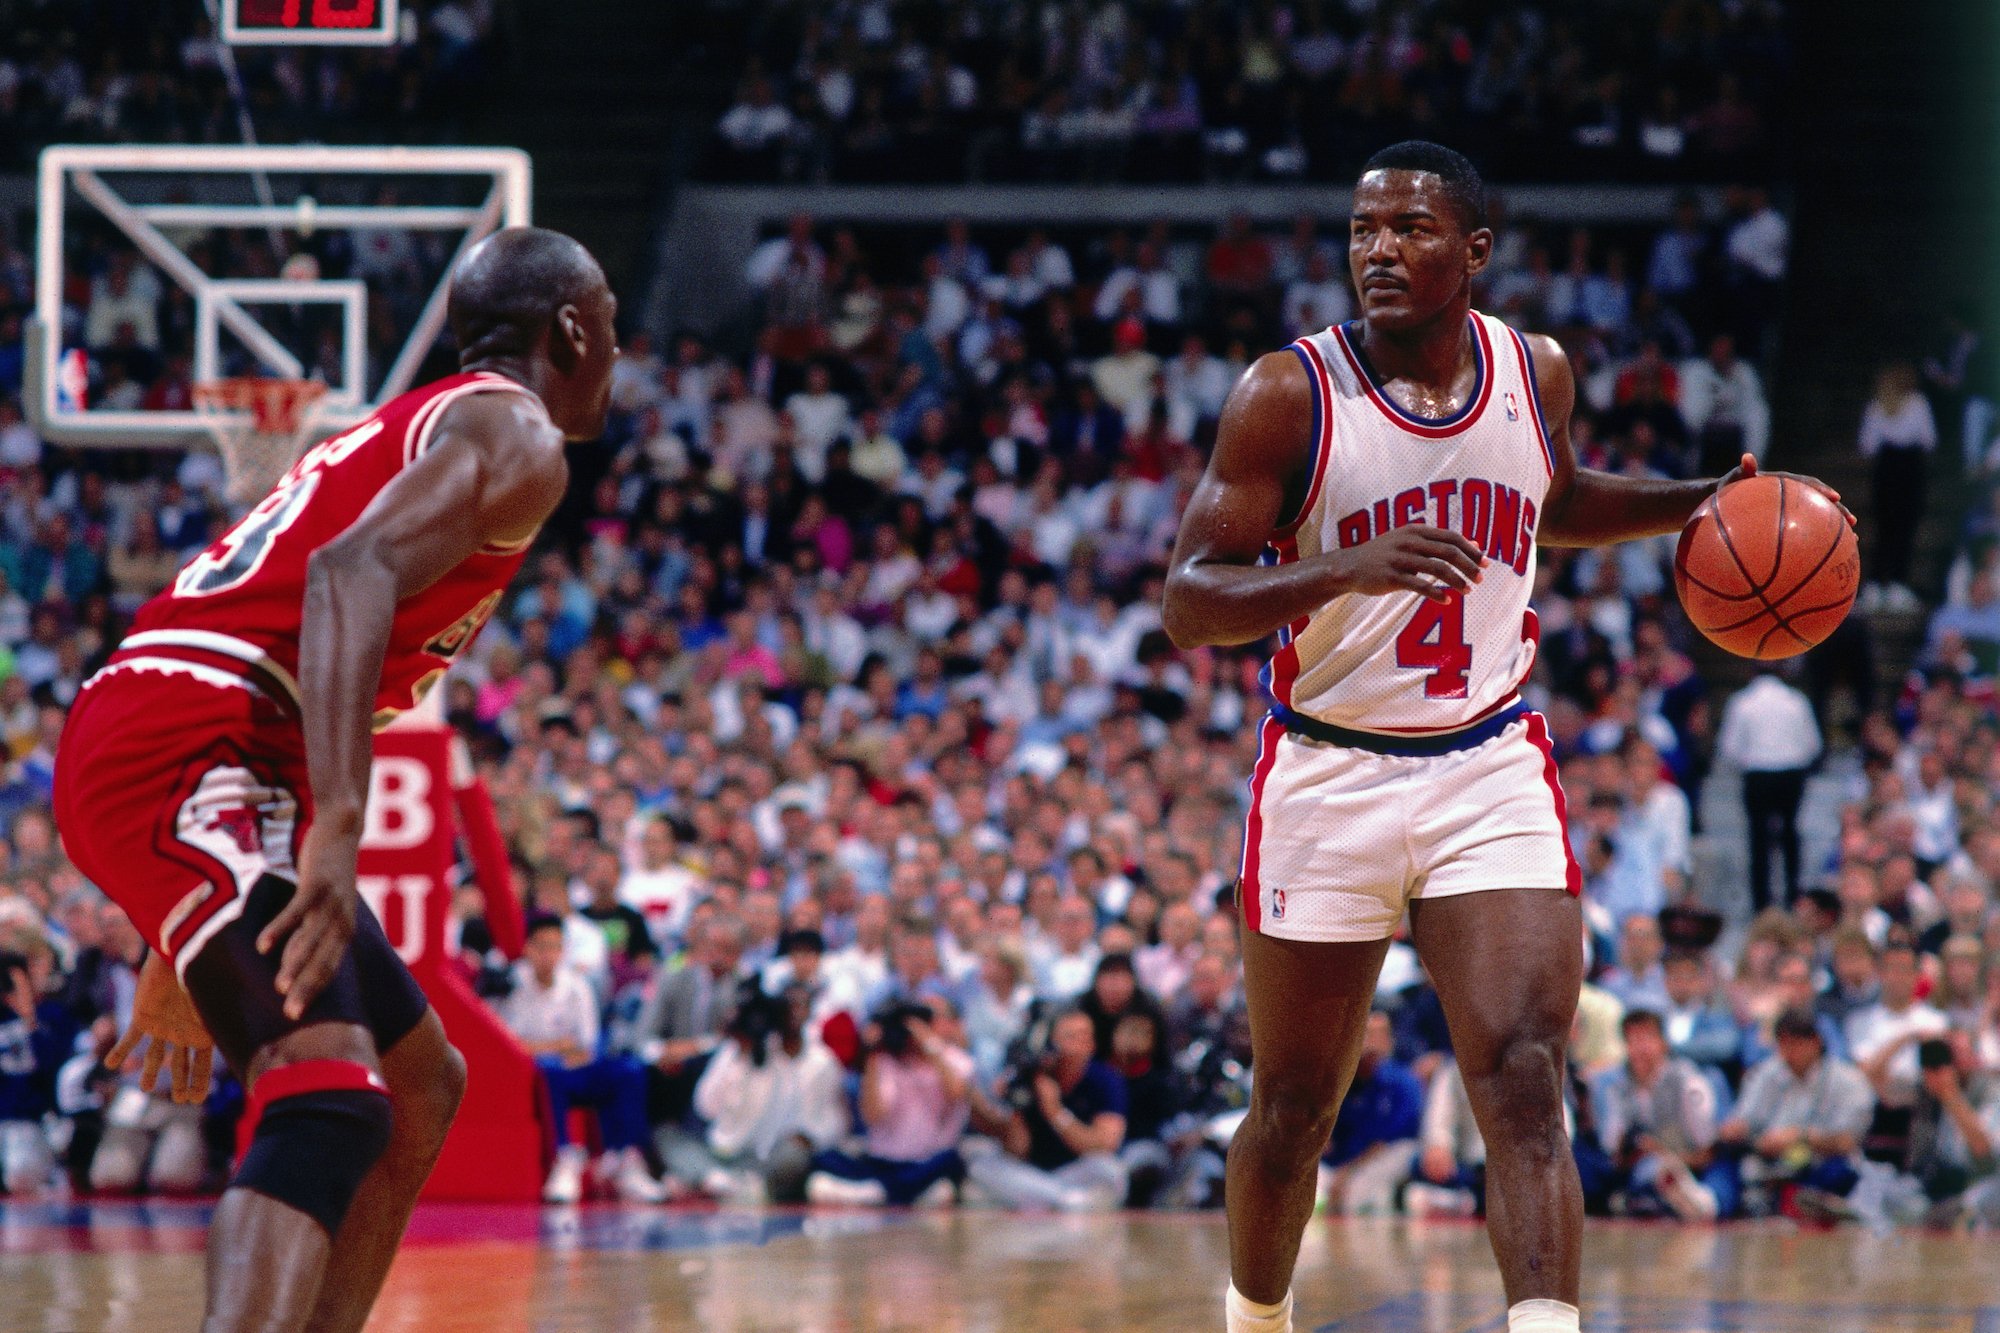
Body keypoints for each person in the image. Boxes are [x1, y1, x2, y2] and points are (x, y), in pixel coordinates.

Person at [1160, 141, 1848, 1333]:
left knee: (1526, 1078)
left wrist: (1696, 502)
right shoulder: (1287, 392)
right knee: (1289, 1112)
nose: (1379, 248)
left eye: (1412, 229)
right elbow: (1188, 602)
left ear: (1473, 252)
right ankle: (1254, 1320)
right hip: (1328, 766)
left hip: (1487, 760)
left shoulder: (1534, 370)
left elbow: (1556, 500)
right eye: (1364, 228)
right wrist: (1342, 568)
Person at [51, 227, 617, 1333]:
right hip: (186, 743)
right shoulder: (517, 430)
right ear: (570, 328)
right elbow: (341, 574)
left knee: (420, 1086)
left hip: (207, 747)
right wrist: (337, 830)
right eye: (610, 327)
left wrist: (185, 937)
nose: (615, 351)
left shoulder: (429, 429)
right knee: (327, 1096)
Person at [499, 917, 664, 1204]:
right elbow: (506, 1045)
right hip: (534, 1076)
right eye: (542, 947)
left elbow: (586, 1048)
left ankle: (626, 1159)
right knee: (550, 1071)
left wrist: (543, 1049)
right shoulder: (510, 986)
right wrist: (554, 1048)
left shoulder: (577, 986)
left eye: (556, 947)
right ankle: (565, 1160)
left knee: (629, 1071)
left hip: (574, 1072)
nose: (549, 955)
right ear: (528, 949)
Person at [806, 997, 972, 1207]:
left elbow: (956, 1093)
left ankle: (877, 1192)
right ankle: (893, 1190)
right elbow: (874, 1115)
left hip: (927, 1162)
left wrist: (928, 1045)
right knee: (823, 1158)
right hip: (884, 1162)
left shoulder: (955, 1059)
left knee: (952, 1160)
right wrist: (871, 1054)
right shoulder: (883, 1061)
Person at [965, 1007, 1129, 1211]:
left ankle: (1053, 1200)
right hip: (1031, 1174)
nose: (1081, 1043)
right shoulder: (1029, 1076)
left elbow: (1105, 1144)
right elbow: (1018, 1150)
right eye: (1071, 1037)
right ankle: (1064, 1200)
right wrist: (1011, 1104)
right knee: (980, 1164)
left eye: (1086, 1036)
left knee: (1110, 1170)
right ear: (1049, 1043)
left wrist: (1056, 1113)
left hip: (1075, 1170)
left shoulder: (1106, 1079)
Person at [1717, 1005, 1874, 1217]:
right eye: (1782, 1044)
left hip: (1820, 1162)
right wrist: (1738, 1130)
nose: (1788, 1052)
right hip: (1767, 1161)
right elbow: (1745, 1119)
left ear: (1816, 1042)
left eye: (1796, 1044)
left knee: (1839, 1171)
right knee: (1727, 1161)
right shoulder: (1766, 1073)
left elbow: (1847, 1141)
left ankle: (1807, 1204)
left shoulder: (1849, 1081)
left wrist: (1798, 1137)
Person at [1717, 666, 1823, 913]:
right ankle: (1793, 895)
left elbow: (1729, 749)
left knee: (1758, 838)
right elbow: (1813, 745)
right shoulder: (1797, 701)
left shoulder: (1742, 701)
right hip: (1791, 774)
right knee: (1789, 833)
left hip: (1758, 775)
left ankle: (1761, 903)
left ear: (1751, 672)